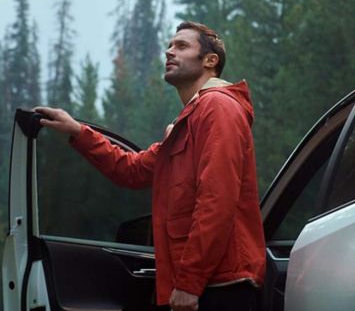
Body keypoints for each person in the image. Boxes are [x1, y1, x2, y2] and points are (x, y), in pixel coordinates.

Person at [36, 21, 266, 311]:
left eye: (181, 46)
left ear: (210, 61)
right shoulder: (189, 121)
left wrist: (189, 283)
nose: (169, 52)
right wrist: (77, 132)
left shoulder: (218, 107)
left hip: (220, 288)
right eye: (169, 46)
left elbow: (217, 200)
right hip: (200, 288)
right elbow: (131, 170)